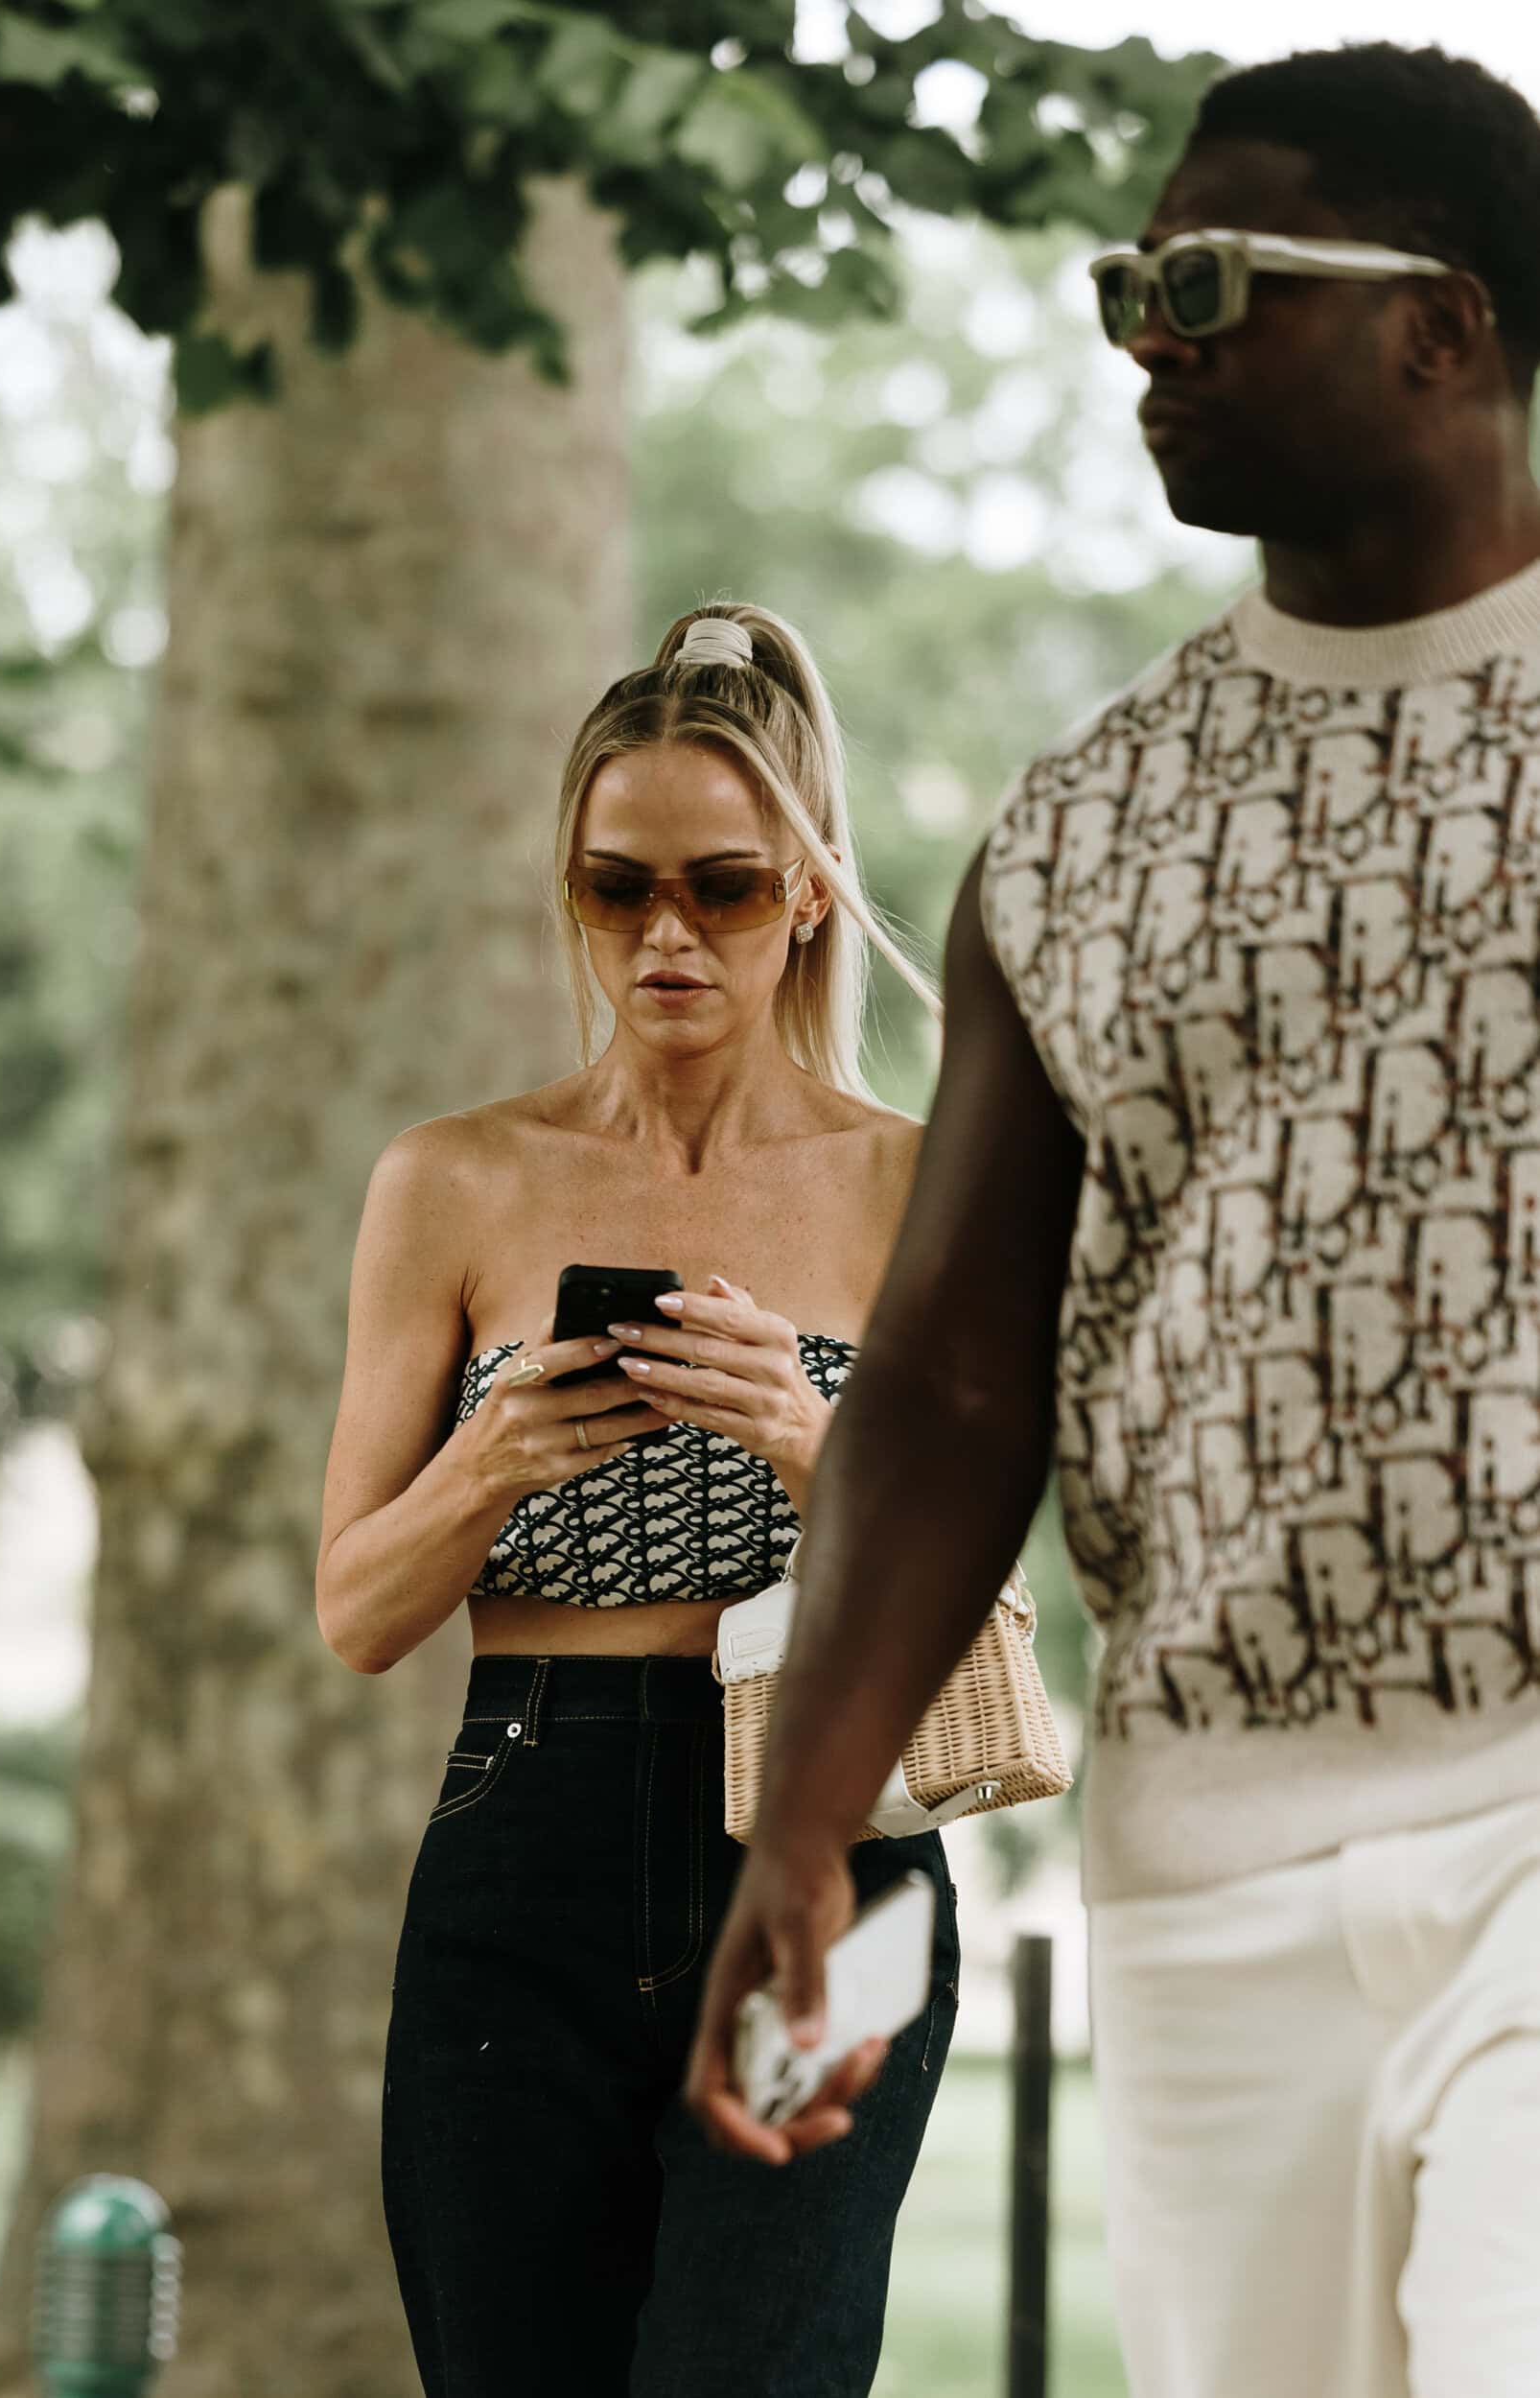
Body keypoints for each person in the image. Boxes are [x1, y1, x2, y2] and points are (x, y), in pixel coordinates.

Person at [687, 43, 1540, 2398]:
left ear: (1442, 326)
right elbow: (958, 1374)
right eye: (1125, 289)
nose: (1150, 338)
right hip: (1212, 1846)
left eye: (1211, 284)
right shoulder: (1081, 831)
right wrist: (808, 1824)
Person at [315, 602, 959, 2398]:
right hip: (527, 1828)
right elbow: (357, 1612)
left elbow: (988, 1578)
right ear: (573, 889)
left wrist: (807, 1439)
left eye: (723, 888)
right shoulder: (453, 1182)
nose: (666, 934)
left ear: (808, 892)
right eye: (619, 889)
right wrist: (495, 1458)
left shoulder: (914, 1185)